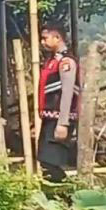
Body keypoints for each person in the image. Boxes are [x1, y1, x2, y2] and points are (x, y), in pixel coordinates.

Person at [37, 21, 80, 182]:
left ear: (57, 38)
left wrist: (63, 123)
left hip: (59, 118)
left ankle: (64, 191)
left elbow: (68, 93)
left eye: (45, 38)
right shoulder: (51, 62)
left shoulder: (66, 62)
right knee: (45, 159)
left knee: (51, 161)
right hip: (50, 119)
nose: (42, 42)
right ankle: (56, 192)